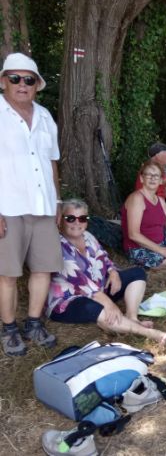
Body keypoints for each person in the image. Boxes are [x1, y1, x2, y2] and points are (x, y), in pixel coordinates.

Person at [0, 53, 63, 357]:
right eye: (15, 78)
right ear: (4, 82)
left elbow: (52, 162)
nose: (21, 84)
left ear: (37, 85)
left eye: (28, 79)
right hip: (8, 207)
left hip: (44, 205)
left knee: (43, 268)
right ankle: (9, 329)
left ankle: (34, 324)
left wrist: (58, 201)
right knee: (8, 274)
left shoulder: (45, 116)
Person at [47, 200, 166, 347]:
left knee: (137, 273)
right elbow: (82, 283)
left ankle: (132, 317)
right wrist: (109, 304)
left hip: (99, 290)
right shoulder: (57, 246)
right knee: (94, 307)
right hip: (69, 301)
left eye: (82, 218)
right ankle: (150, 333)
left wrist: (113, 272)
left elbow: (104, 257)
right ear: (61, 220)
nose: (77, 223)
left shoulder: (88, 236)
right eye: (70, 218)